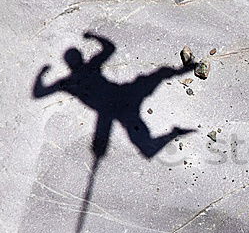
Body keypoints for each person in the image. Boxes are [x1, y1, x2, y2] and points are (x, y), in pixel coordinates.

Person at [33, 32, 195, 158]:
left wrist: (42, 74)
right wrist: (93, 37)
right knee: (157, 76)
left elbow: (39, 93)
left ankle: (184, 71)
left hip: (118, 102)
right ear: (79, 59)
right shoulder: (83, 72)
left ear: (69, 64)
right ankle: (174, 131)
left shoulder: (70, 82)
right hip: (121, 99)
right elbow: (109, 47)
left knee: (156, 77)